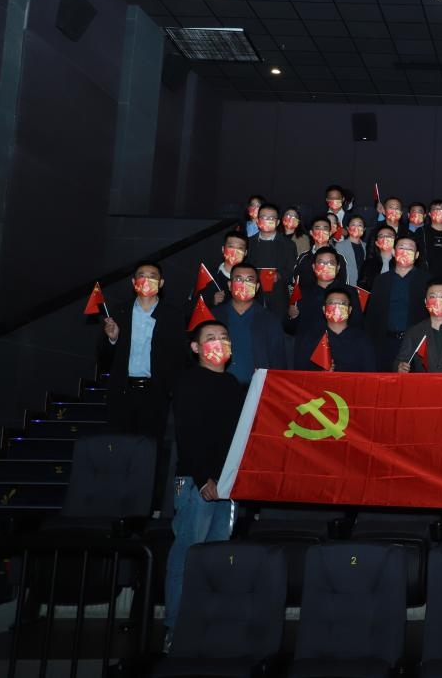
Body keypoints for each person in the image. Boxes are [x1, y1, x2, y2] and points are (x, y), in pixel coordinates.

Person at [164, 320, 245, 647]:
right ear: (196, 348)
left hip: (227, 486)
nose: (219, 342)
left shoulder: (233, 384)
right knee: (187, 557)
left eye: (224, 337)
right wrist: (202, 479)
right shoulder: (188, 382)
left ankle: (208, 630)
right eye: (210, 338)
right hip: (196, 484)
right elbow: (188, 435)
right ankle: (176, 631)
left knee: (217, 559)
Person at [99, 261, 186, 443]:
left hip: (155, 394)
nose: (146, 280)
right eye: (142, 276)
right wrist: (112, 339)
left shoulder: (174, 315)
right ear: (133, 282)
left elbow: (179, 358)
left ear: (161, 283)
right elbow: (103, 357)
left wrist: (170, 390)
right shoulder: (119, 311)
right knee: (120, 447)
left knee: (150, 449)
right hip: (122, 392)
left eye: (152, 277)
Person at [211, 262, 288, 384]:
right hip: (219, 386)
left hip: (256, 389)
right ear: (230, 285)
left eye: (249, 280)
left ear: (257, 287)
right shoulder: (213, 317)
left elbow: (279, 363)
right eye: (238, 279)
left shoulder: (270, 320)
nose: (244, 284)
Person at [362, 235, 430, 372]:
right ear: (393, 252)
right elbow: (372, 316)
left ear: (417, 255)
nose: (405, 252)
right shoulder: (381, 280)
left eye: (410, 249)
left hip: (415, 344)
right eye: (401, 248)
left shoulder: (426, 281)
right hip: (385, 342)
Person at [294, 286, 374, 372]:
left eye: (342, 304)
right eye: (332, 303)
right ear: (324, 309)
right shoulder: (311, 337)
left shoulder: (362, 339)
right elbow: (299, 373)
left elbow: (370, 374)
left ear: (349, 310)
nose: (337, 307)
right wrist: (321, 374)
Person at [287, 247, 360, 335]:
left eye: (331, 263)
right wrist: (293, 317)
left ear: (338, 268)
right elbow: (290, 329)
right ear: (313, 267)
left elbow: (358, 326)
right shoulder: (301, 293)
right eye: (321, 263)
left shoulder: (350, 292)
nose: (326, 267)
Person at [247, 204, 298, 318]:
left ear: (278, 222)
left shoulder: (288, 245)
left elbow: (292, 271)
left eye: (271, 218)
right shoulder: (248, 243)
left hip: (279, 298)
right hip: (253, 297)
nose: (267, 221)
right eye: (264, 217)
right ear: (257, 221)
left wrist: (279, 275)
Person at [292, 217, 348, 290]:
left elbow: (344, 285)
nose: (321, 231)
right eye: (317, 228)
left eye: (325, 229)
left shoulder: (339, 258)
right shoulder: (302, 258)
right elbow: (295, 283)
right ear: (311, 233)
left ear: (330, 233)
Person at [196, 232, 248, 307]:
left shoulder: (250, 279)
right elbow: (194, 308)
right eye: (231, 247)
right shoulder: (209, 277)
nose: (235, 252)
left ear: (245, 253)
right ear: (223, 249)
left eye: (240, 248)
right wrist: (213, 302)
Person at [357, 225, 396, 291]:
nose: (385, 238)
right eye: (381, 236)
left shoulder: (403, 262)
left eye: (389, 236)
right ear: (377, 243)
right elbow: (362, 287)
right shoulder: (368, 264)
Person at [335, 214, 368, 288]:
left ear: (364, 229)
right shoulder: (340, 246)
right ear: (348, 228)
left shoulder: (367, 246)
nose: (356, 228)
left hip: (364, 287)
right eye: (353, 225)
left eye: (360, 225)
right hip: (347, 286)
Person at [415, 200, 442, 265]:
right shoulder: (421, 231)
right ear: (429, 214)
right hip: (425, 270)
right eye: (435, 209)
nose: (438, 212)